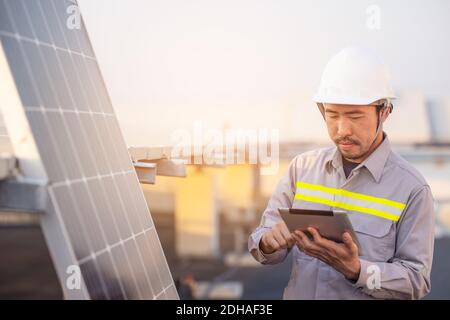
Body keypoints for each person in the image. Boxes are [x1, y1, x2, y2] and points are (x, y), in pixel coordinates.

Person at [248, 46, 435, 299]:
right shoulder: (302, 169)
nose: (341, 130)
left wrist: (358, 270)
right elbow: (262, 240)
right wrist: (268, 242)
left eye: (355, 116)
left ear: (385, 112)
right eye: (332, 115)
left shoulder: (412, 189)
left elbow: (416, 281)